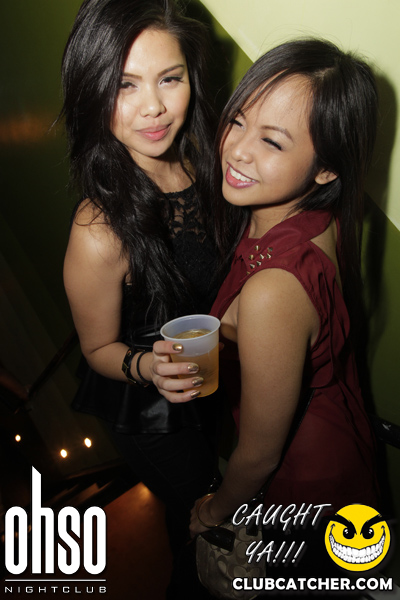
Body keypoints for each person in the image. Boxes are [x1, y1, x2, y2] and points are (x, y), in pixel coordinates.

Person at [152, 38, 380, 584]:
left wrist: (213, 510)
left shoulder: (273, 290)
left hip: (304, 495)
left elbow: (257, 457)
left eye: (272, 141)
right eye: (238, 121)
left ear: (327, 169)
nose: (237, 150)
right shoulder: (312, 217)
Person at [61, 0, 222, 575]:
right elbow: (96, 348)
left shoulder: (210, 163)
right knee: (205, 525)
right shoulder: (98, 230)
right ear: (92, 92)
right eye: (124, 85)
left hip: (211, 383)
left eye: (169, 79)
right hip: (150, 410)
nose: (153, 106)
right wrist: (150, 367)